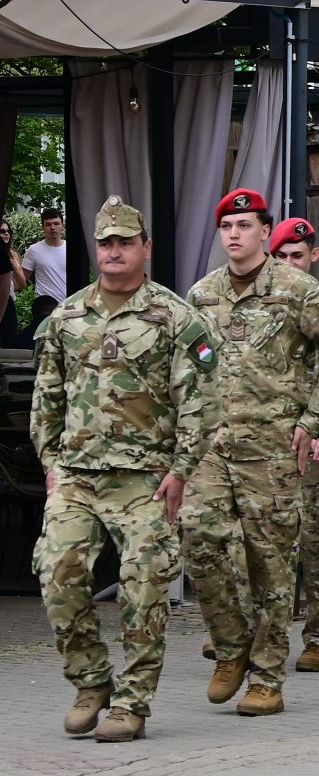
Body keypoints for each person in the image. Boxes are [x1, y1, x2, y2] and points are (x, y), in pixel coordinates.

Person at [30, 197, 216, 742]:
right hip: (78, 477)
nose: (114, 252)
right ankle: (91, 682)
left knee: (143, 589)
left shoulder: (176, 318)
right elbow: (47, 400)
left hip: (146, 480)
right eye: (106, 242)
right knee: (57, 577)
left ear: (145, 248)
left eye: (124, 242)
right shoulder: (66, 318)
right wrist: (50, 463)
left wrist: (182, 470)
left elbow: (200, 400)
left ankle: (132, 703)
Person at [184, 188, 319, 716]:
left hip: (274, 450)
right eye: (227, 226)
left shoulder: (296, 290)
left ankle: (266, 677)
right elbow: (188, 369)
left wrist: (314, 420)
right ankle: (231, 643)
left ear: (265, 231)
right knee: (198, 537)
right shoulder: (201, 296)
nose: (234, 234)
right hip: (214, 446)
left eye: (245, 225)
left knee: (270, 564)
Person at [269, 218, 319, 674]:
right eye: (281, 257)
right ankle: (257, 630)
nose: (289, 265)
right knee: (258, 540)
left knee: (316, 540)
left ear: (313, 256)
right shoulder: (262, 303)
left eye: (297, 256)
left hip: (314, 438)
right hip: (263, 441)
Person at [21, 206, 70, 334]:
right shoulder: (33, 250)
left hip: (69, 307)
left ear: (62, 226)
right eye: (48, 224)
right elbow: (21, 279)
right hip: (44, 310)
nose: (52, 227)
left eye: (56, 223)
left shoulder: (71, 248)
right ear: (43, 227)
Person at [0, 216, 29, 346]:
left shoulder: (13, 253)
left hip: (9, 300)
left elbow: (22, 283)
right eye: (2, 231)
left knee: (9, 338)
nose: (6, 234)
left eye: (8, 231)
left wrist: (15, 266)